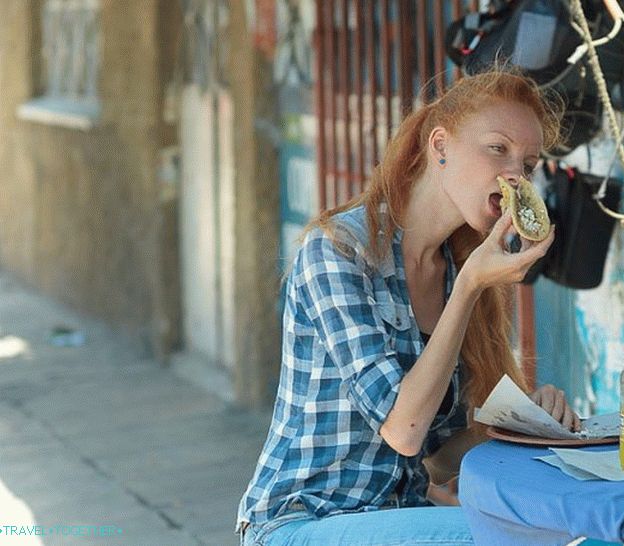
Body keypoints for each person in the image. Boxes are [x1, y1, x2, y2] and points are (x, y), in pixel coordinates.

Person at [236, 67, 581, 546]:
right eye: (497, 148)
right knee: (509, 540)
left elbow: (436, 462)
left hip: (392, 518)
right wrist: (469, 288)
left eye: (527, 163)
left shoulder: (459, 270)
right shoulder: (337, 252)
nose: (514, 175)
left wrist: (519, 420)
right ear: (440, 147)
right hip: (301, 523)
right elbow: (404, 430)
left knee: (565, 526)